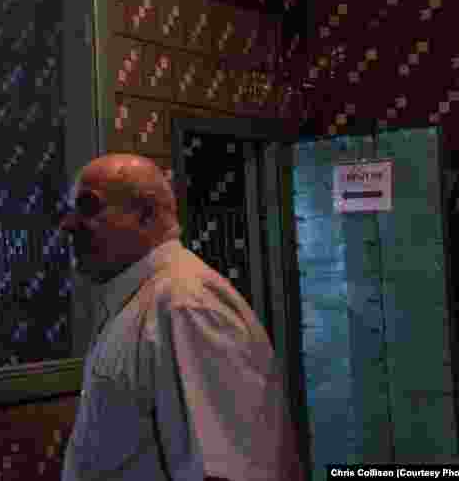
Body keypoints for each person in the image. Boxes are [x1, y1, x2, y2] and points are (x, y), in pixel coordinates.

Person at [59, 153, 304, 481]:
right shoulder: (144, 302)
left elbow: (227, 471)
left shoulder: (185, 305)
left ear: (146, 214)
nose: (68, 225)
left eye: (89, 207)